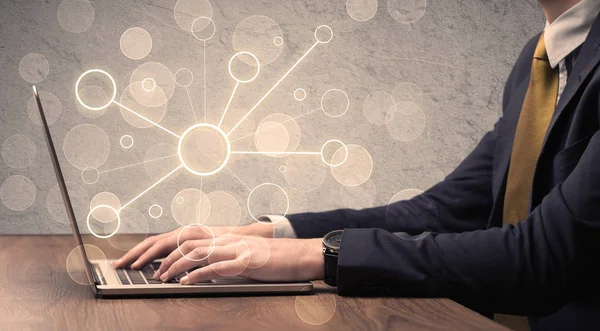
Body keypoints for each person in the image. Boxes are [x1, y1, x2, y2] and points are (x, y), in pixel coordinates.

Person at [115, 0, 600, 330]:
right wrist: (266, 234)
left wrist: (318, 256)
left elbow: (545, 256)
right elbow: (436, 212)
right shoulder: (536, 63)